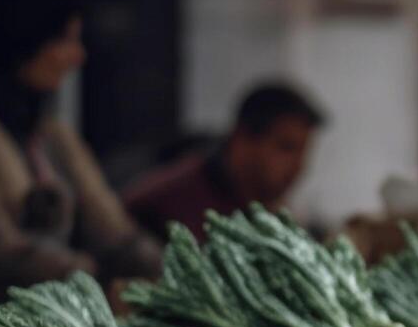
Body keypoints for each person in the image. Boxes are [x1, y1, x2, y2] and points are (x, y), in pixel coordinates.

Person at [0, 0, 161, 296]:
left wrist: (174, 276)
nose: (78, 56)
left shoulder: (47, 132)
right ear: (26, 42)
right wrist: (92, 281)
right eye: (66, 40)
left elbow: (114, 232)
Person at [123, 82, 325, 239]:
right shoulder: (169, 201)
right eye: (286, 148)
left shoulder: (269, 207)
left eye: (304, 153)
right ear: (242, 139)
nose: (298, 167)